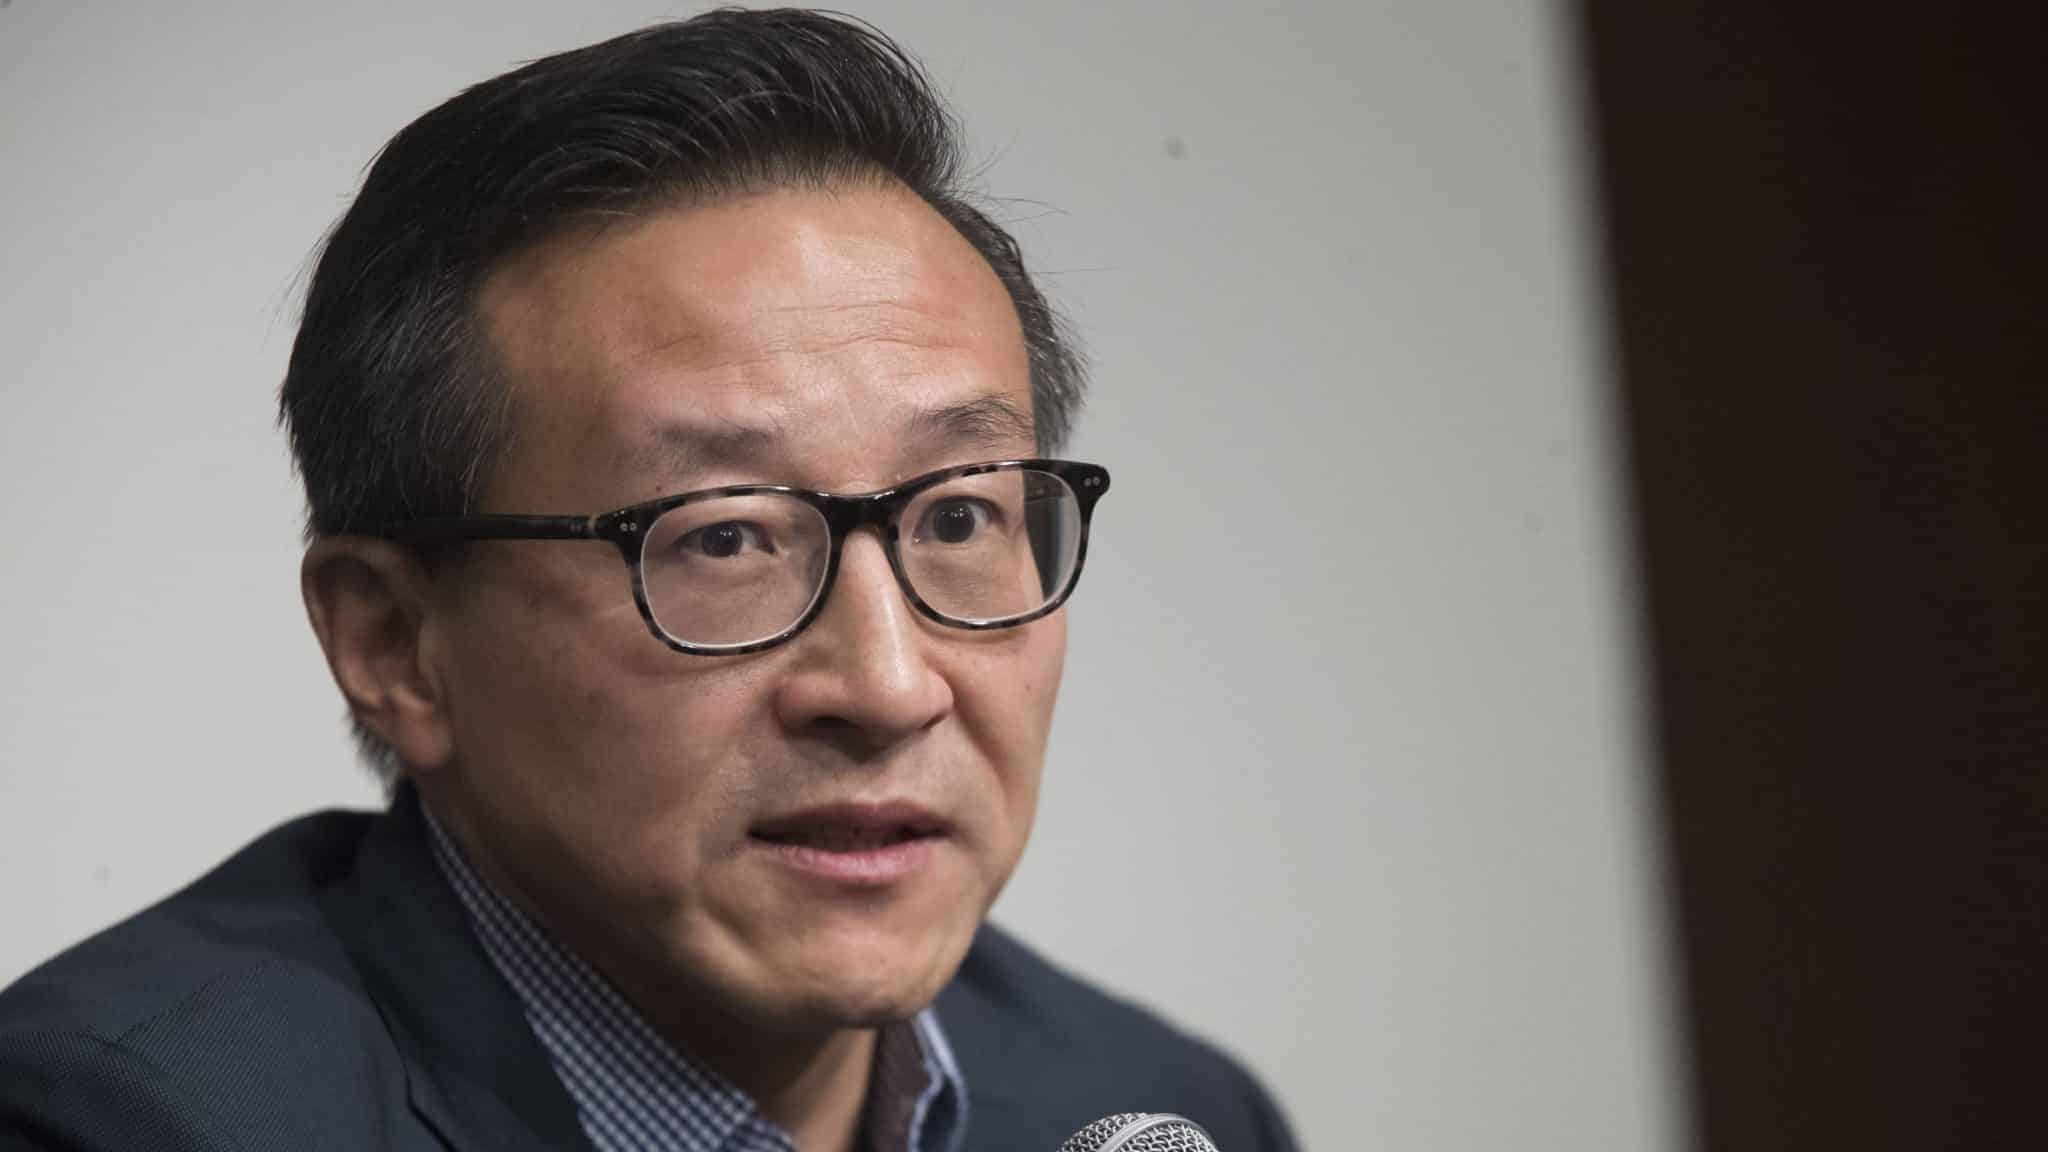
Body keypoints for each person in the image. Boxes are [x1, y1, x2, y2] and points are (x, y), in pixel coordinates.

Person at [0, 10, 1296, 1152]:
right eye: (724, 537)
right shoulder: (125, 1121)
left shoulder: (1158, 1109)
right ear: (394, 641)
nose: (890, 686)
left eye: (958, 515)